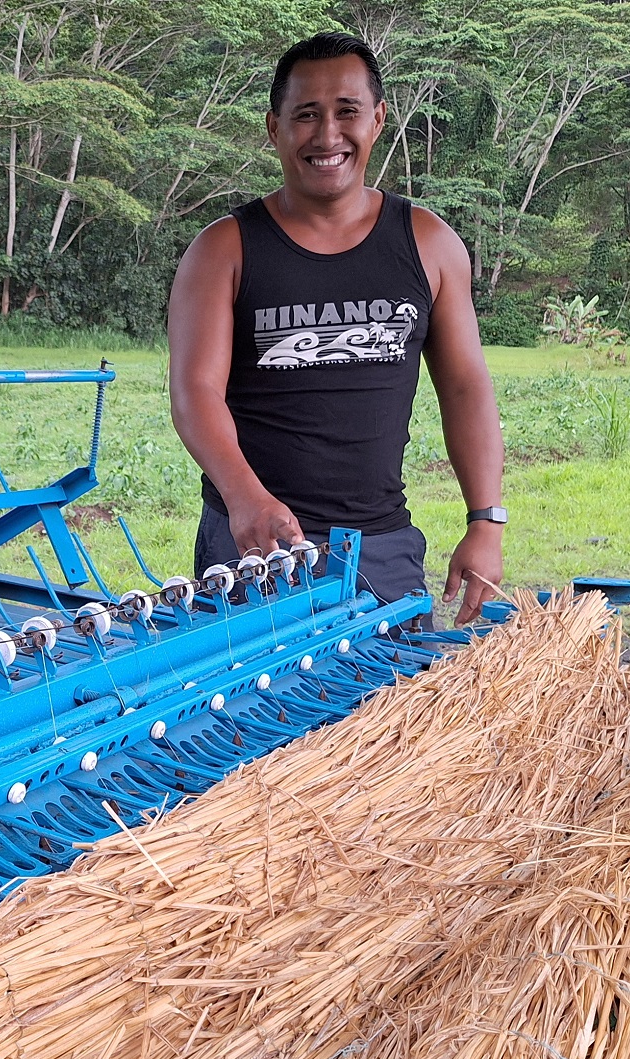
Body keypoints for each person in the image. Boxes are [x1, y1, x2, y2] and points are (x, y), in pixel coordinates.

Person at [167, 31, 506, 624]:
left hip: (380, 547)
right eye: (306, 115)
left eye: (347, 111)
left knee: (395, 687)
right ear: (274, 128)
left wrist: (486, 521)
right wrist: (244, 498)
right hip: (253, 544)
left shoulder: (429, 243)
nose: (327, 135)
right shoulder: (223, 249)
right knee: (245, 688)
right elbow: (195, 392)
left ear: (377, 120)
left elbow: (465, 388)